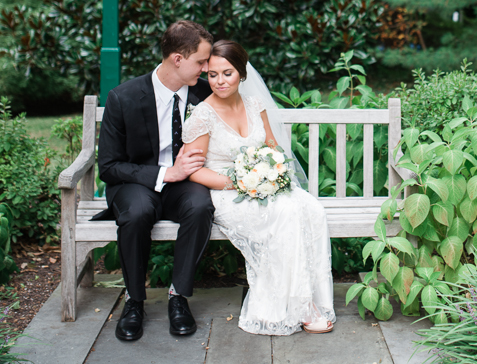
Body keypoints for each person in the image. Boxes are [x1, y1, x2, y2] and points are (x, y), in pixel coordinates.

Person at [182, 39, 336, 335]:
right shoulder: (202, 115)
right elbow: (194, 171)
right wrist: (238, 181)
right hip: (226, 194)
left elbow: (272, 147)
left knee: (312, 210)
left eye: (227, 73)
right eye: (212, 75)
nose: (219, 81)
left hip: (261, 188)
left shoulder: (254, 105)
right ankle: (299, 308)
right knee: (287, 214)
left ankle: (311, 298)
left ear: (241, 73)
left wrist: (270, 172)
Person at [97, 20, 216, 341]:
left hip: (185, 184)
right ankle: (134, 301)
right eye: (201, 62)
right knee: (135, 213)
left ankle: (179, 296)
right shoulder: (123, 98)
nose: (207, 70)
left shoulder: (205, 94)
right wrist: (165, 173)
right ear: (178, 59)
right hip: (137, 184)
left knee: (200, 205)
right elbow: (108, 167)